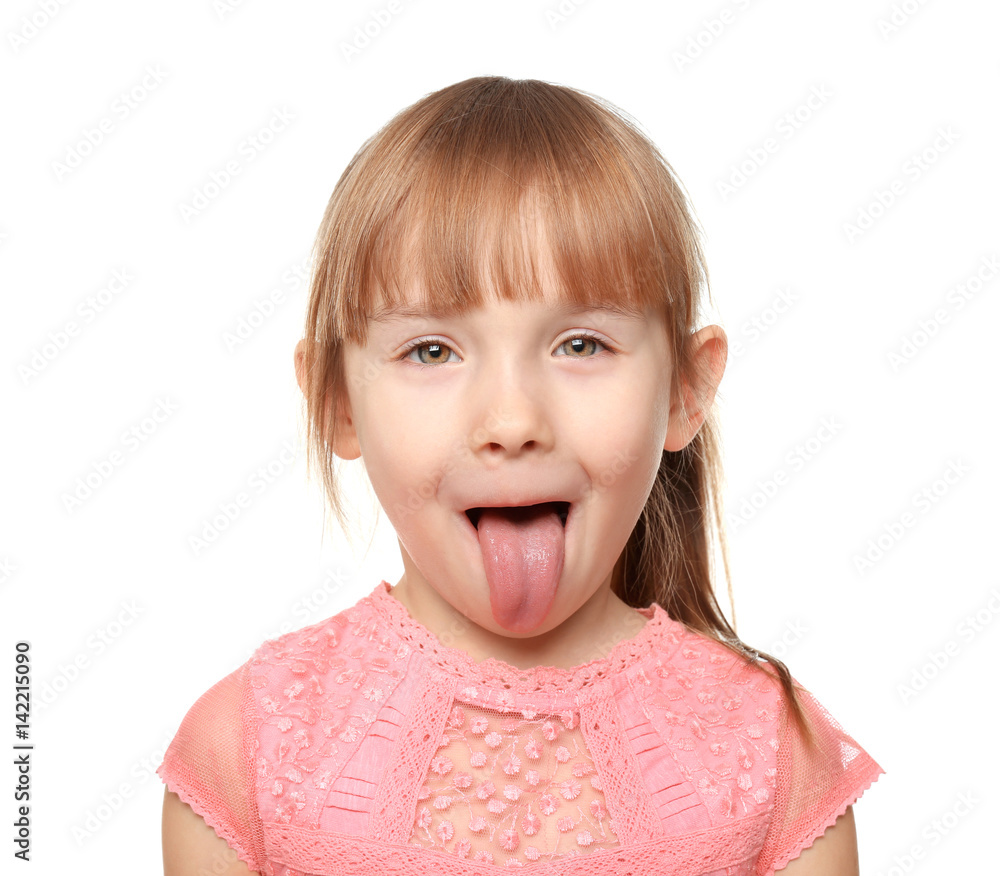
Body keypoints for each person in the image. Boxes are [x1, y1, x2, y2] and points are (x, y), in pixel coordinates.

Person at [158, 76, 882, 875]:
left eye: (581, 345)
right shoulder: (246, 749)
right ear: (339, 403)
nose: (512, 423)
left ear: (685, 389)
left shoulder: (774, 754)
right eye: (432, 350)